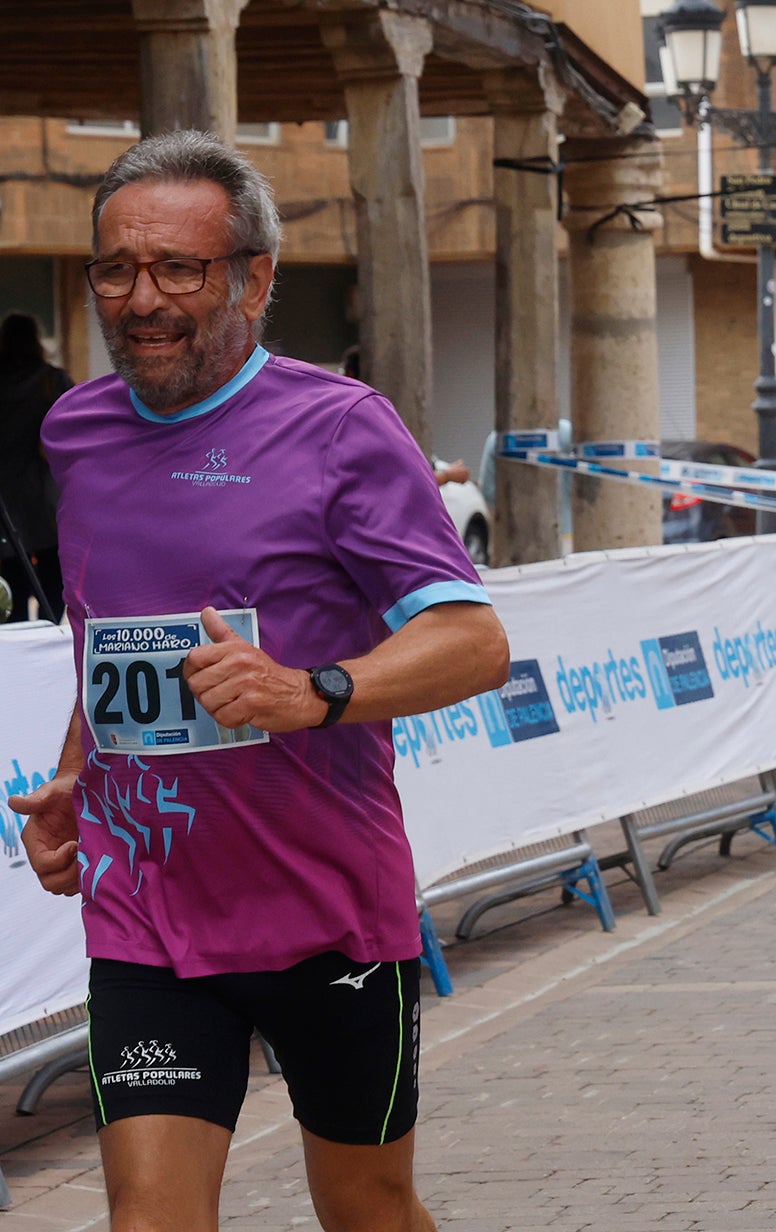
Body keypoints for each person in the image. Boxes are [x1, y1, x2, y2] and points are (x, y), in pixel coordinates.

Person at [7, 130, 509, 1232]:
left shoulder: (338, 428)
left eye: (178, 268)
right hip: (146, 911)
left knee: (367, 1209)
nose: (141, 297)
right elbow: (112, 643)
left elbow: (474, 641)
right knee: (149, 1220)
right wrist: (71, 779)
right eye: (116, 269)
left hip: (323, 912)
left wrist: (310, 690)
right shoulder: (75, 432)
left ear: (255, 276)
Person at [0, 312, 73, 622]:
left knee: (10, 600)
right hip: (46, 505)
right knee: (52, 597)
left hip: (4, 508)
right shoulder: (52, 381)